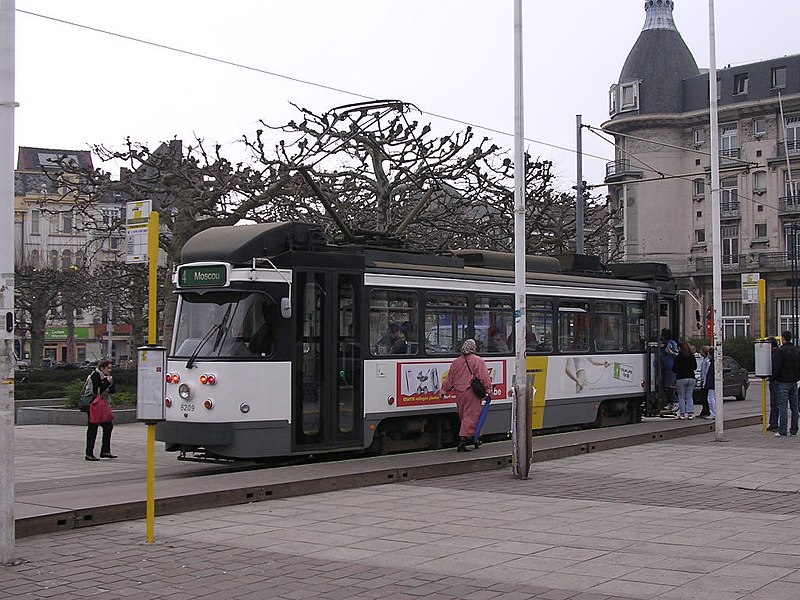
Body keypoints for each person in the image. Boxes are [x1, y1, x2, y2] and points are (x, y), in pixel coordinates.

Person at [440, 338, 492, 452]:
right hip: (471, 392)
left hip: (459, 393)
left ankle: (476, 437)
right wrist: (488, 390)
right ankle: (463, 441)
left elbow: (450, 379)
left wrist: (444, 391)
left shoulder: (456, 362)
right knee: (472, 416)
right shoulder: (477, 361)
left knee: (464, 416)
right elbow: (484, 377)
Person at [85, 359, 117, 461]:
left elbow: (112, 391)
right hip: (94, 405)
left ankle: (105, 451)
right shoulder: (95, 375)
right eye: (108, 368)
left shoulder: (106, 377)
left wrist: (110, 383)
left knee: (108, 426)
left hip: (102, 404)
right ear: (102, 368)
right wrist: (107, 382)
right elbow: (96, 391)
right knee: (93, 427)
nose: (110, 370)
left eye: (110, 368)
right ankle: (89, 453)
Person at [771, 330, 800, 438]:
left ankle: (783, 430)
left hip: (783, 382)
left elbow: (776, 367)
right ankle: (794, 429)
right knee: (795, 406)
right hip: (793, 382)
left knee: (783, 406)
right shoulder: (796, 351)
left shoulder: (780, 351)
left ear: (783, 338)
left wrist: (774, 378)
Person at [672, 341, 697, 420]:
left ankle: (682, 414)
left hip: (681, 378)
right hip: (691, 378)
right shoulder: (692, 356)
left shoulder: (678, 357)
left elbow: (674, 369)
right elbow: (695, 367)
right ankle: (690, 413)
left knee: (681, 397)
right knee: (689, 396)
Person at [659, 329, 679, 411]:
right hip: (664, 367)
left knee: (668, 386)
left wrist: (671, 352)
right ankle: (669, 402)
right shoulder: (665, 343)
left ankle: (675, 402)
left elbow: (676, 353)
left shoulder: (671, 343)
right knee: (664, 386)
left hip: (670, 368)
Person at [767, 336, 780, 432]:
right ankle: (773, 422)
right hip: (774, 380)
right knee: (774, 403)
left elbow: (775, 368)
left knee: (775, 403)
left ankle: (774, 423)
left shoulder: (775, 354)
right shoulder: (774, 354)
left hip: (775, 381)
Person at [697, 346, 711, 417]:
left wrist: (704, 382)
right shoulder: (704, 359)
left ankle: (706, 411)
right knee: (703, 397)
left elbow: (706, 372)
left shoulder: (707, 360)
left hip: (705, 381)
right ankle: (704, 411)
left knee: (705, 397)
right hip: (703, 380)